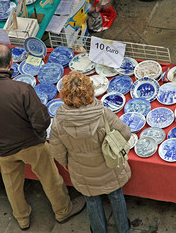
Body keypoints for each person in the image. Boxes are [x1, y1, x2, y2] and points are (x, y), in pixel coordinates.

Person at [0, 44, 86, 230]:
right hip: (31, 145)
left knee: (12, 185)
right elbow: (41, 121)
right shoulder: (22, 89)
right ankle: (63, 210)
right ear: (11, 63)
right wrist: (39, 133)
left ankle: (22, 218)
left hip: (2, 148)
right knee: (50, 178)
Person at [50, 71, 131, 233]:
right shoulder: (103, 113)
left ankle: (98, 229)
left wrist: (68, 164)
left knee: (92, 201)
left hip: (81, 171)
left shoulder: (59, 121)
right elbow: (125, 133)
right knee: (116, 196)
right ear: (89, 91)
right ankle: (123, 228)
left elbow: (57, 150)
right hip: (109, 166)